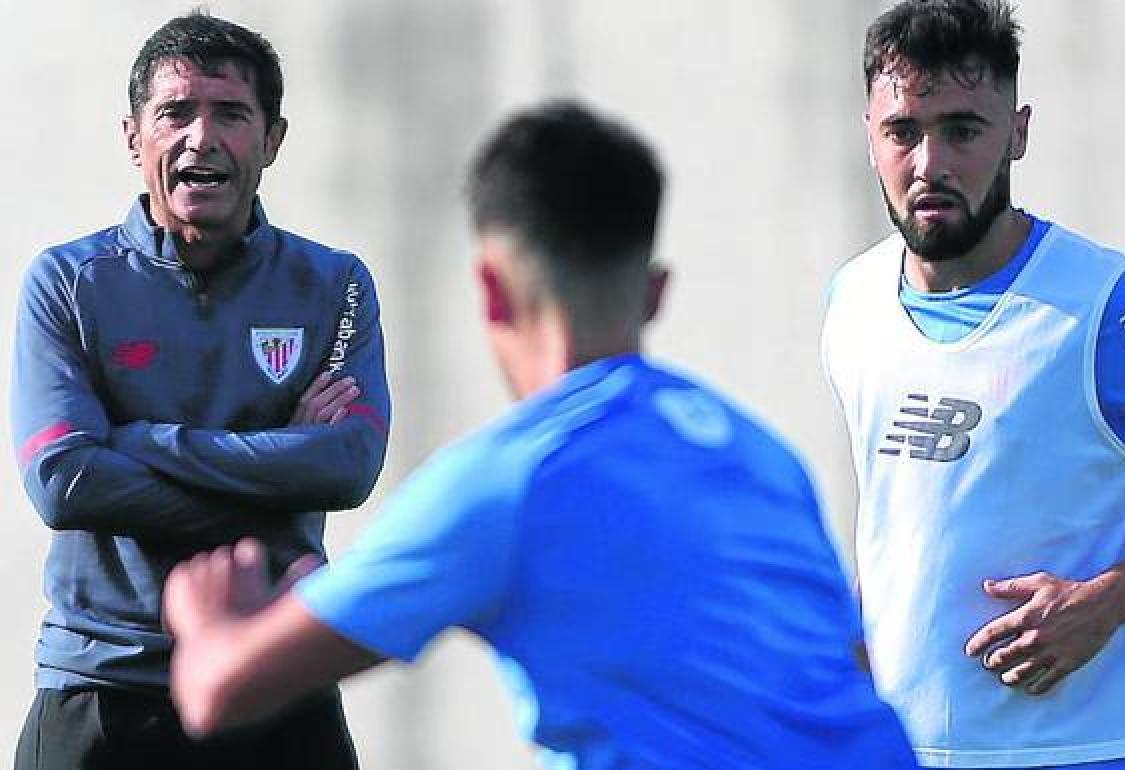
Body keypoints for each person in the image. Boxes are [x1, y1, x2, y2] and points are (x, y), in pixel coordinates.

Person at [161, 100, 920, 769]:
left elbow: (219, 690)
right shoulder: (756, 452)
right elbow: (845, 668)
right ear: (655, 292)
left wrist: (206, 620)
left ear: (490, 289)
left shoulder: (510, 480)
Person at [821, 0, 1125, 768]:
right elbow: (906, 515)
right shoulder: (852, 301)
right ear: (869, 136)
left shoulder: (1114, 308)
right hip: (896, 750)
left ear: (1017, 132)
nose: (930, 164)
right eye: (902, 131)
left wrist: (1108, 602)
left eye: (962, 129)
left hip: (1086, 751)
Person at [11, 11, 390, 770]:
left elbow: (347, 466)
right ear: (133, 137)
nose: (200, 137)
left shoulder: (334, 286)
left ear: (272, 140)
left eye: (231, 113)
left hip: (277, 678)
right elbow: (63, 479)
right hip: (105, 685)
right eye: (175, 112)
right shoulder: (66, 283)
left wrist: (143, 441)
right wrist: (275, 475)